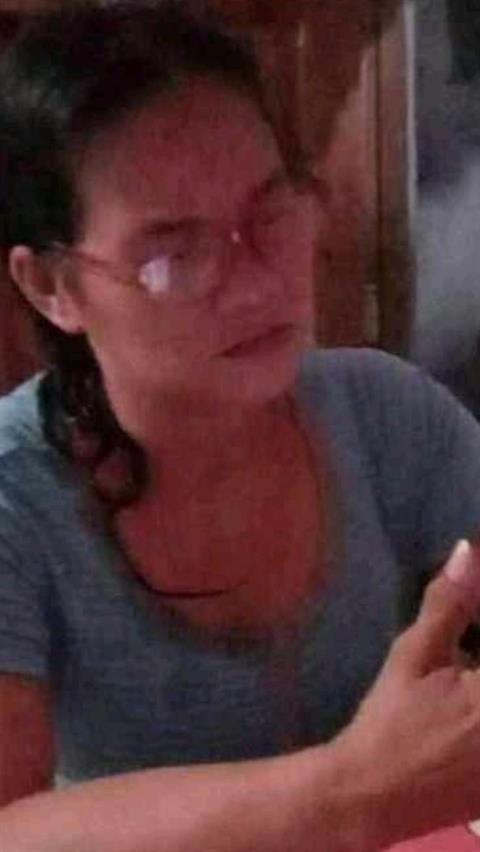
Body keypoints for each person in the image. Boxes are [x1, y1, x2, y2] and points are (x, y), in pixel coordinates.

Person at [2, 4, 480, 851]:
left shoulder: (385, 415)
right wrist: (345, 794)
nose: (258, 285)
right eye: (174, 255)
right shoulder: (16, 495)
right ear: (52, 287)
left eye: (271, 213)